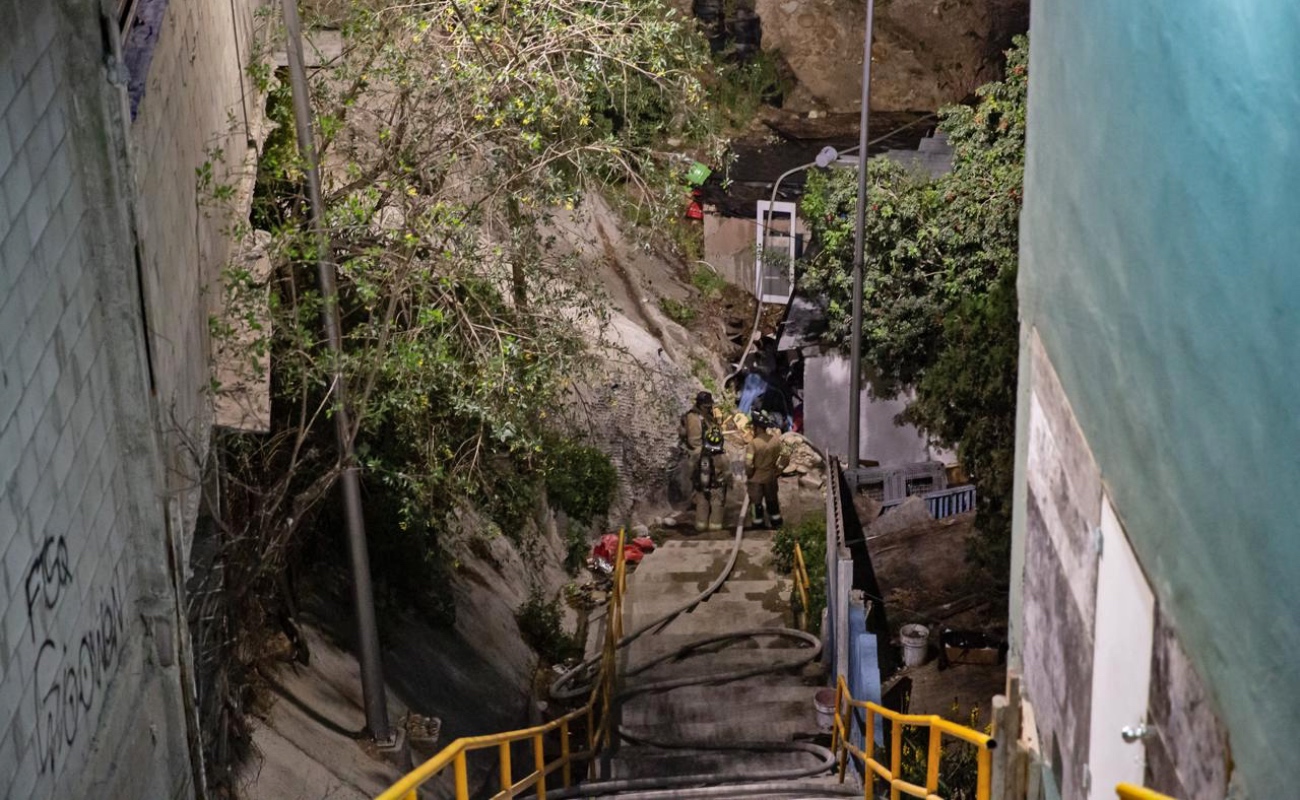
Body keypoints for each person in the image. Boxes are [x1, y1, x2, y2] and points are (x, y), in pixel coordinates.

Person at [680, 391, 729, 531]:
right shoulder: (694, 418)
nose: (710, 408)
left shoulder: (705, 417)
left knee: (710, 493)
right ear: (701, 405)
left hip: (709, 457)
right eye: (707, 406)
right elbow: (694, 442)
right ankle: (707, 527)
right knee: (708, 494)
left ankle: (711, 528)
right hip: (704, 459)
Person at [745, 409, 786, 528]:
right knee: (772, 501)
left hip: (756, 479)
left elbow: (748, 464)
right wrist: (778, 470)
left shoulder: (753, 444)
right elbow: (785, 456)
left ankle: (758, 525)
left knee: (756, 503)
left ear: (757, 427)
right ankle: (776, 523)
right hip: (771, 477)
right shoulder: (775, 441)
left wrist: (749, 474)